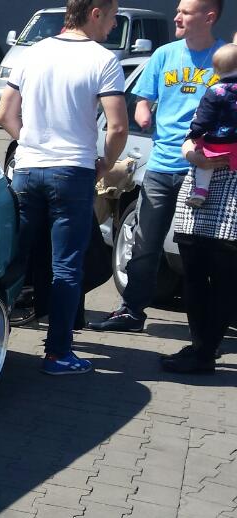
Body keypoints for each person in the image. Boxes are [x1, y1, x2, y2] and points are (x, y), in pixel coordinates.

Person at [0, 0, 128, 376]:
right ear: (95, 12)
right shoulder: (103, 59)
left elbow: (4, 114)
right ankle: (57, 354)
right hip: (72, 172)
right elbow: (118, 127)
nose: (113, 25)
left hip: (27, 170)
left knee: (15, 259)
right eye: (113, 16)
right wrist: (105, 163)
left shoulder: (32, 53)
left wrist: (31, 143)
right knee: (66, 266)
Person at [90, 0, 226, 333]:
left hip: (207, 171)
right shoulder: (164, 55)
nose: (176, 16)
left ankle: (206, 326)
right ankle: (131, 311)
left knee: (201, 253)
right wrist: (143, 113)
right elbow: (143, 99)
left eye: (185, 12)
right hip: (161, 166)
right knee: (145, 243)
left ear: (209, 17)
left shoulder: (225, 58)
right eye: (178, 10)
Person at [161, 136, 237, 372]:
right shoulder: (211, 108)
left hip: (231, 200)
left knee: (224, 283)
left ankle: (205, 354)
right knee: (193, 277)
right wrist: (193, 156)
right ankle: (200, 346)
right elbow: (190, 137)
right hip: (197, 192)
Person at [185, 45, 237, 206]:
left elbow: (204, 118)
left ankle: (201, 191)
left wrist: (194, 134)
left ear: (216, 70)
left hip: (217, 142)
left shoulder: (214, 91)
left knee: (204, 158)